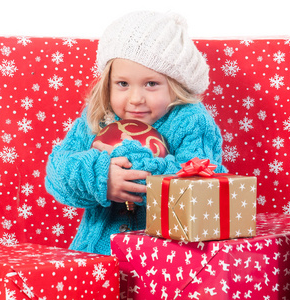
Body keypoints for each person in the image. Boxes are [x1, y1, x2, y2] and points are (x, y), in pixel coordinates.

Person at [45, 10, 228, 255]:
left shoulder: (190, 121)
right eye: (123, 84)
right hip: (96, 257)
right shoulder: (97, 117)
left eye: (151, 84)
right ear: (108, 83)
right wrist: (102, 177)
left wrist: (140, 175)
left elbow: (204, 184)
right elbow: (58, 172)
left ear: (175, 85)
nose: (135, 99)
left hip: (165, 262)